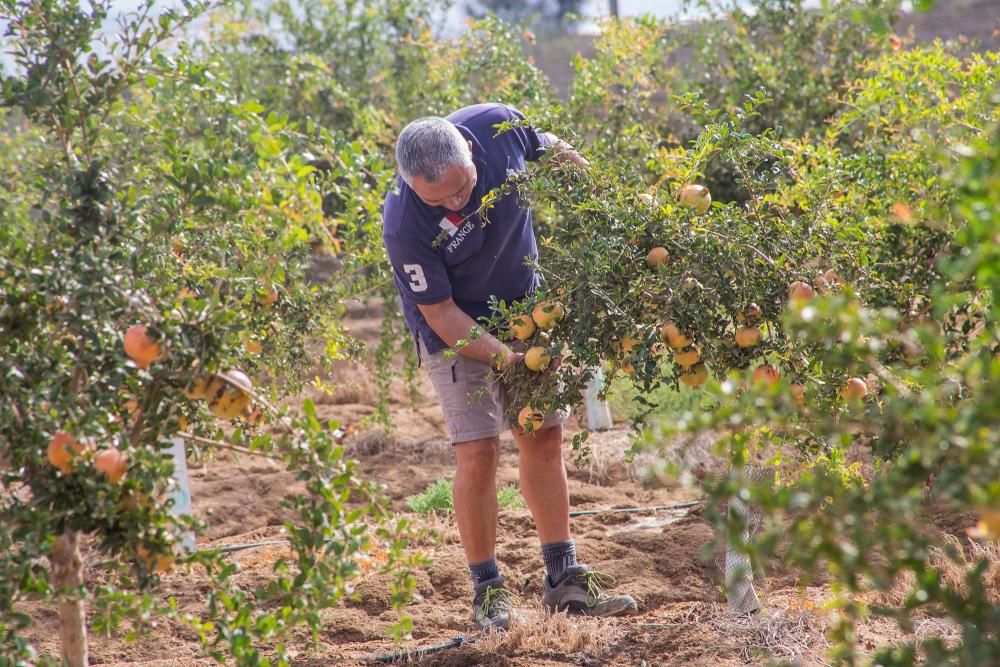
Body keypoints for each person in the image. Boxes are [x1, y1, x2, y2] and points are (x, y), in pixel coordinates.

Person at [382, 102, 637, 631]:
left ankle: (563, 576)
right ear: (411, 186)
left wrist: (595, 192)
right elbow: (443, 315)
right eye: (440, 200)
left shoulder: (498, 127)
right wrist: (510, 359)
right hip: (456, 331)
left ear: (471, 152)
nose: (456, 201)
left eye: (462, 188)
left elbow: (547, 145)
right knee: (478, 451)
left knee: (544, 436)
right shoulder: (405, 223)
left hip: (526, 306)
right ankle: (488, 590)